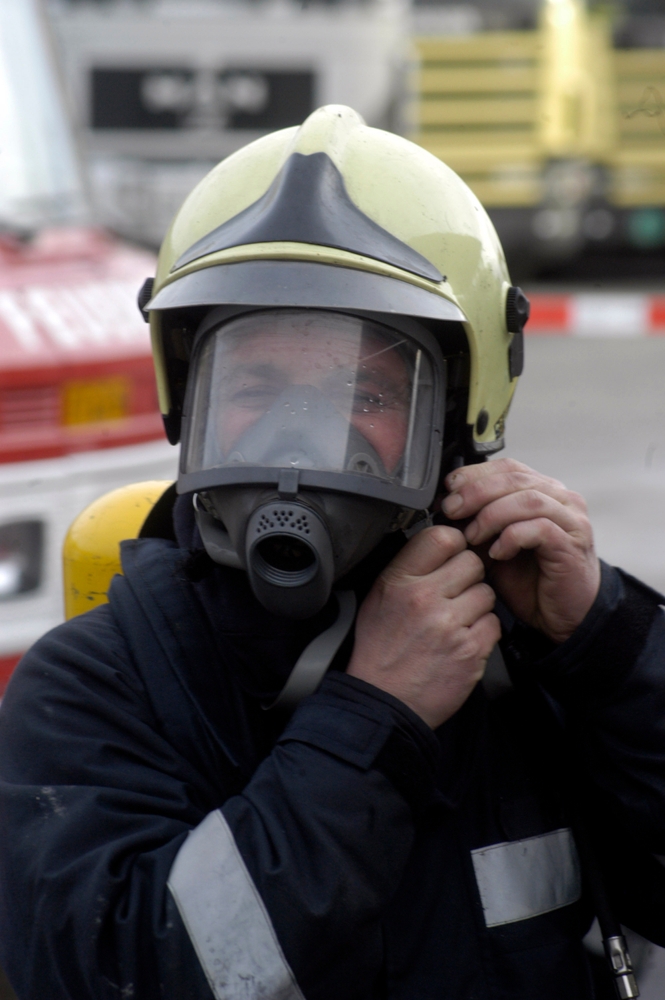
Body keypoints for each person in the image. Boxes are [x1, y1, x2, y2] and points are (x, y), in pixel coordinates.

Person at [1, 105, 665, 1000]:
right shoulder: (97, 689)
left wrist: (609, 645)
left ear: (457, 418)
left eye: (362, 388)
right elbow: (118, 976)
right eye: (256, 385)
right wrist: (373, 719)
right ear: (186, 397)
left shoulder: (536, 655)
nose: (298, 433)